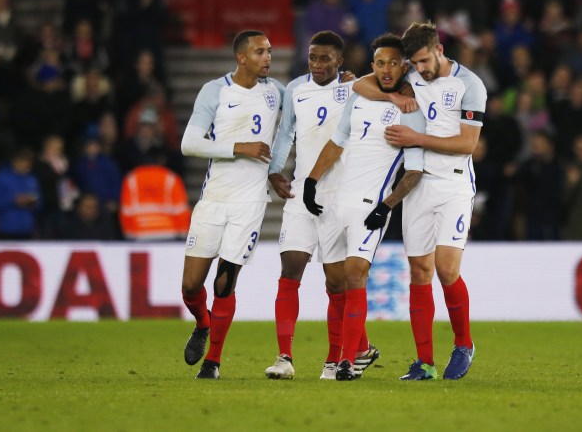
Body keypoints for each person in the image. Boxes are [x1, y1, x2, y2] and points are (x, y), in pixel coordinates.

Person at [352, 22, 487, 380]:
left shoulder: (469, 85)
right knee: (419, 272)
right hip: (418, 188)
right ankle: (424, 362)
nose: (421, 69)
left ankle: (463, 344)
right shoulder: (410, 74)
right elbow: (360, 84)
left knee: (446, 269)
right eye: (414, 62)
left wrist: (416, 137)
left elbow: (467, 145)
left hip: (454, 186)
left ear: (439, 49)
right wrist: (392, 96)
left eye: (425, 60)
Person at [304, 33, 425, 380]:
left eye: (393, 63)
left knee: (356, 273)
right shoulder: (358, 98)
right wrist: (312, 181)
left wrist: (386, 207)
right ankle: (361, 350)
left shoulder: (410, 109)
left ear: (404, 66)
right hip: (338, 199)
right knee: (337, 282)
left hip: (371, 204)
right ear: (372, 66)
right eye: (380, 63)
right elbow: (338, 141)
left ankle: (345, 362)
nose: (387, 69)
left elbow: (415, 170)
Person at [263, 31, 378, 381]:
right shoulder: (296, 89)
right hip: (301, 193)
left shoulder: (355, 89)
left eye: (326, 58)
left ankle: (335, 359)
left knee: (336, 283)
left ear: (340, 61)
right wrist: (275, 170)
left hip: (339, 197)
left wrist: (359, 81)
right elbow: (285, 134)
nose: (318, 64)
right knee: (290, 271)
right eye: (313, 57)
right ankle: (284, 357)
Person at [179, 30, 284, 380]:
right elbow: (189, 143)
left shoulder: (277, 92)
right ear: (241, 57)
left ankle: (213, 362)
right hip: (214, 200)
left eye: (269, 51)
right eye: (260, 52)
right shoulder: (215, 90)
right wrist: (238, 147)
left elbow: (310, 99)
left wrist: (345, 81)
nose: (267, 57)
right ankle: (202, 322)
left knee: (225, 282)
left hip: (250, 203)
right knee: (191, 287)